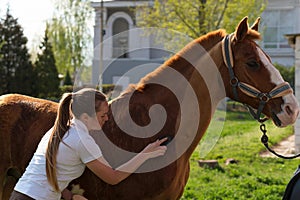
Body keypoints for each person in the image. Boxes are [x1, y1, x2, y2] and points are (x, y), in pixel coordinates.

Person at [10, 88, 167, 200]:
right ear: (85, 117)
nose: (107, 119)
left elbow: (52, 171)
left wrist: (69, 196)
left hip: (20, 194)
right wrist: (145, 154)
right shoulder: (82, 140)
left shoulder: (60, 130)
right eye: (103, 115)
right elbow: (113, 177)